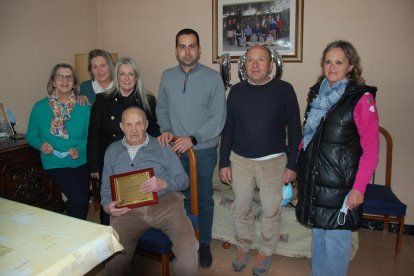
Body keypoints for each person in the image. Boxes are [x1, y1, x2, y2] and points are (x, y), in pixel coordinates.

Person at [295, 40, 379, 276]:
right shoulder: (316, 94)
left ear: (351, 66)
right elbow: (308, 138)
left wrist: (359, 188)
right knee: (318, 242)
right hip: (315, 183)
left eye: (339, 62)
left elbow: (371, 150)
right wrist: (297, 168)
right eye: (328, 61)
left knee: (336, 248)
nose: (332, 67)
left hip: (342, 188)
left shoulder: (361, 99)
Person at [219, 45, 301, 274]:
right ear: (244, 65)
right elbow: (229, 129)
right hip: (241, 160)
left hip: (273, 162)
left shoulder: (284, 90)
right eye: (251, 60)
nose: (255, 65)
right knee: (242, 207)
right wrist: (223, 162)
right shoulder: (235, 92)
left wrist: (293, 164)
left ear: (271, 64)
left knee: (270, 209)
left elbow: (295, 129)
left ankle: (265, 251)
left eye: (261, 60)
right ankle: (243, 246)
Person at [156, 28, 226, 268]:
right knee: (177, 198)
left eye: (192, 46)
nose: (187, 51)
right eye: (182, 46)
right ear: (176, 50)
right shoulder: (167, 76)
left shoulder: (212, 77)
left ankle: (204, 242)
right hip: (174, 150)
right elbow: (162, 108)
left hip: (203, 150)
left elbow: (218, 118)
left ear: (199, 49)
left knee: (203, 199)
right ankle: (184, 243)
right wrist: (165, 128)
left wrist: (193, 139)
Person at [101, 107, 198, 275]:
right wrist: (107, 206)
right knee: (113, 252)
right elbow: (105, 189)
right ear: (122, 126)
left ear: (145, 125)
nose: (133, 129)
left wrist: (164, 183)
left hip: (166, 205)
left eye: (138, 124)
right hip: (127, 210)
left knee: (188, 246)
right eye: (128, 124)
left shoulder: (162, 146)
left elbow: (184, 180)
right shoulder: (112, 151)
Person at [88, 57, 160, 225]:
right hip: (110, 160)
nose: (127, 78)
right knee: (110, 202)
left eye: (131, 74)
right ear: (116, 76)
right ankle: (108, 238)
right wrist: (93, 165)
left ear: (136, 77)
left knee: (135, 202)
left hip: (138, 159)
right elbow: (93, 135)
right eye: (122, 74)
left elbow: (154, 130)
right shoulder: (102, 99)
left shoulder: (147, 100)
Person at [26, 63, 91, 220]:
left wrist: (79, 149)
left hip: (80, 160)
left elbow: (90, 138)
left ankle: (78, 231)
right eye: (60, 76)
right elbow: (31, 135)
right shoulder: (39, 107)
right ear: (53, 82)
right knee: (80, 199)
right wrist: (41, 145)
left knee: (81, 201)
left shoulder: (84, 106)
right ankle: (74, 235)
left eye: (69, 77)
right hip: (55, 162)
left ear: (74, 83)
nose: (65, 80)